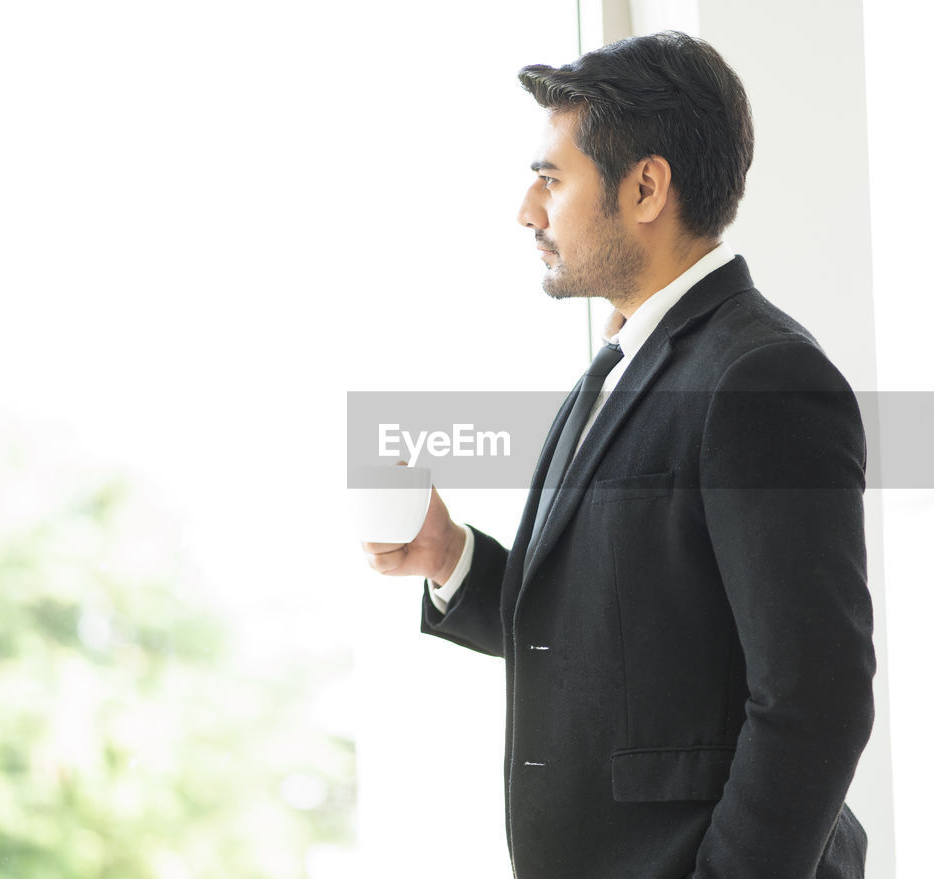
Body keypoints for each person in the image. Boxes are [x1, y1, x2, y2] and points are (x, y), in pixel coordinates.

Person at [362, 31, 875, 879]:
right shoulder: (617, 367)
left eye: (552, 178)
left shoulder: (762, 377)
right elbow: (607, 642)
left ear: (646, 186)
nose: (527, 209)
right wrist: (449, 556)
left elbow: (815, 698)